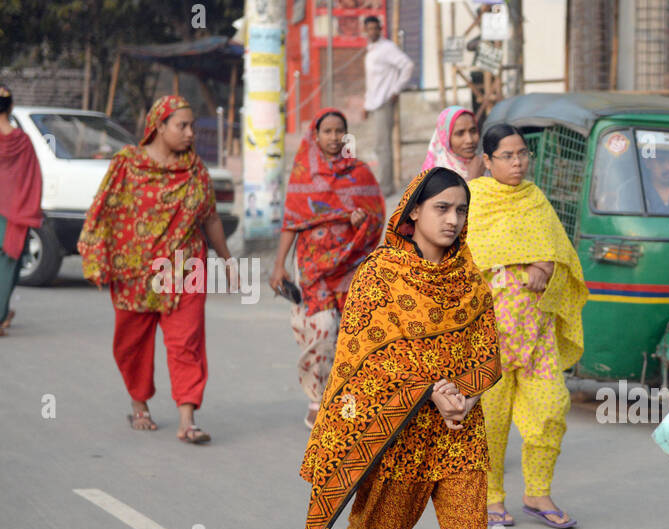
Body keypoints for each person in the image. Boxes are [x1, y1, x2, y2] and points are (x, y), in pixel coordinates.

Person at [300, 166, 522, 529]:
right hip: (396, 434)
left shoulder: (469, 275)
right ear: (414, 211)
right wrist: (428, 390)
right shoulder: (379, 274)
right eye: (442, 207)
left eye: (461, 210)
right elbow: (361, 359)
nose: (452, 219)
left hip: (458, 433)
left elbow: (485, 350)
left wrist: (463, 395)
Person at [78, 95, 237, 443]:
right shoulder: (127, 164)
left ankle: (187, 419)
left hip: (186, 267)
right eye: (182, 125)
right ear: (158, 126)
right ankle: (140, 405)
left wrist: (227, 259)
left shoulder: (195, 170)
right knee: (132, 344)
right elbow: (101, 210)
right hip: (134, 270)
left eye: (192, 126)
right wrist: (95, 257)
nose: (190, 133)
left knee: (187, 342)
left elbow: (210, 217)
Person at [467, 123, 587, 529]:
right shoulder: (474, 201)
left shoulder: (536, 200)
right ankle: (490, 497)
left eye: (522, 154)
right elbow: (466, 258)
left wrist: (546, 265)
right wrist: (521, 265)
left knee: (552, 408)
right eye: (507, 156)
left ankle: (537, 493)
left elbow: (562, 256)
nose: (517, 163)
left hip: (537, 334)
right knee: (490, 418)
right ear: (487, 160)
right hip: (490, 335)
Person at [270, 109, 385, 428]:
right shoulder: (304, 172)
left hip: (351, 264)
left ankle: (346, 397)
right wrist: (279, 265)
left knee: (350, 332)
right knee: (322, 328)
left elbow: (377, 217)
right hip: (313, 265)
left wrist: (362, 220)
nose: (334, 137)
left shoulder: (360, 172)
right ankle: (317, 397)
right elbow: (293, 221)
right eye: (328, 131)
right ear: (315, 135)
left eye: (340, 132)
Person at [0, 84, 42, 337]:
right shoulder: (22, 141)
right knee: (8, 267)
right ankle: (1, 315)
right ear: (11, 106)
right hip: (14, 214)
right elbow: (32, 178)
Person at [362, 15, 414, 197]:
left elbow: (407, 65)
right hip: (374, 103)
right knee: (378, 146)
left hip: (384, 102)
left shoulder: (387, 48)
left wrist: (396, 90)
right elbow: (372, 81)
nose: (372, 32)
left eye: (375, 28)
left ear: (380, 29)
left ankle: (386, 187)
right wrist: (366, 104)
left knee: (384, 146)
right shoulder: (372, 49)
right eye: (369, 29)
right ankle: (383, 183)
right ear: (365, 30)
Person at [421, 105, 485, 181]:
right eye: (460, 133)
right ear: (445, 138)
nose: (469, 140)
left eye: (473, 131)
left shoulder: (483, 164)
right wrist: (473, 178)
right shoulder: (434, 175)